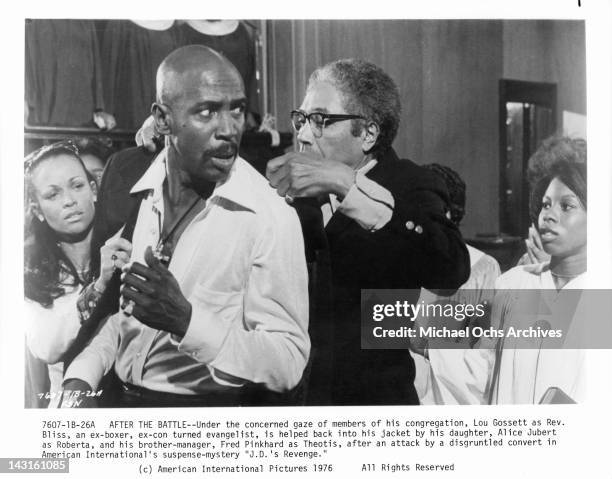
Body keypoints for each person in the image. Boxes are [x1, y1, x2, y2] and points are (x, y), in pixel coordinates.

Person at [62, 45, 310, 407]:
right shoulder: (129, 182)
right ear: (162, 120)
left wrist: (187, 322)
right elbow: (120, 318)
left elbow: (288, 361)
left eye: (237, 109)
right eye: (207, 111)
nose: (228, 130)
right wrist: (80, 378)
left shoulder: (270, 216)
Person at [265, 59, 470, 405]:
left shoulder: (412, 183)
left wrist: (348, 187)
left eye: (320, 120)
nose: (301, 134)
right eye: (301, 119)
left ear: (369, 133)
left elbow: (450, 270)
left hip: (373, 407)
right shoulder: (291, 187)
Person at [426, 136, 587, 404]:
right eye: (544, 203)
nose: (547, 216)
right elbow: (481, 371)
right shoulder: (514, 282)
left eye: (566, 205)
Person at [23, 141, 129, 408]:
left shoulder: (124, 243)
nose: (69, 201)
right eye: (52, 195)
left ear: (94, 190)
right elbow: (47, 347)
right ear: (37, 210)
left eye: (77, 186)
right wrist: (99, 285)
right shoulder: (29, 267)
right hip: (68, 411)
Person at [410, 163, 501, 405]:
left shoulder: (482, 268)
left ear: (448, 214)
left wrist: (429, 348)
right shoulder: (398, 256)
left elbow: (486, 356)